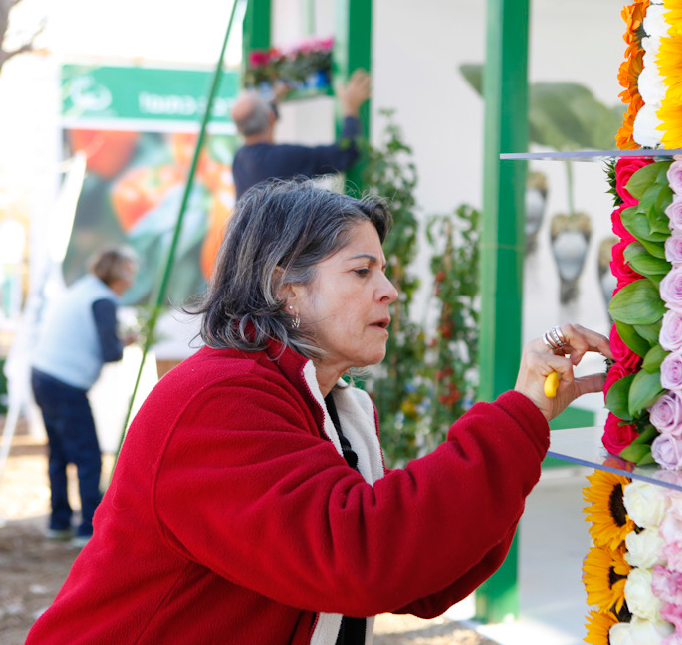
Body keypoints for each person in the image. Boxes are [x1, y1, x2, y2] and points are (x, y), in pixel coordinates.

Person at [25, 180, 611, 645]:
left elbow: (419, 579)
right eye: (362, 271)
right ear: (286, 287)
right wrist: (516, 419)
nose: (389, 290)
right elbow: (361, 558)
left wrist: (525, 429)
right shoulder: (216, 400)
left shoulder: (328, 403)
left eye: (383, 271)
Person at [30, 246, 138, 548]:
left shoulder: (83, 289)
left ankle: (59, 521)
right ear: (119, 273)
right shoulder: (102, 300)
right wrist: (128, 341)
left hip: (42, 374)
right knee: (88, 456)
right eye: (130, 271)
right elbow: (111, 353)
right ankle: (88, 528)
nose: (132, 279)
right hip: (66, 384)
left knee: (59, 454)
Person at [231, 69, 372, 199]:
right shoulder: (282, 158)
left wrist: (274, 99)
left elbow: (264, 116)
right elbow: (344, 154)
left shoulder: (239, 159)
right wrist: (350, 109)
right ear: (272, 117)